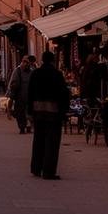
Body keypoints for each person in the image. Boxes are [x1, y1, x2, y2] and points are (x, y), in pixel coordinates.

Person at [27, 50, 70, 180]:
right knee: (52, 142)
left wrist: (29, 111)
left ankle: (36, 168)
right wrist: (64, 112)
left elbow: (30, 93)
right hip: (53, 113)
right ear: (52, 60)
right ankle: (48, 171)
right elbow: (64, 94)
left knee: (38, 139)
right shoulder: (57, 75)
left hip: (38, 112)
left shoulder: (35, 74)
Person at [7, 55, 35, 133]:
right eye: (24, 62)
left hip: (30, 97)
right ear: (22, 62)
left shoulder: (32, 72)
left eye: (27, 62)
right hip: (20, 98)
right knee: (20, 114)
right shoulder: (17, 71)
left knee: (30, 114)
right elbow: (13, 84)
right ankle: (22, 127)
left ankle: (28, 126)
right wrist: (12, 95)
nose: (26, 64)